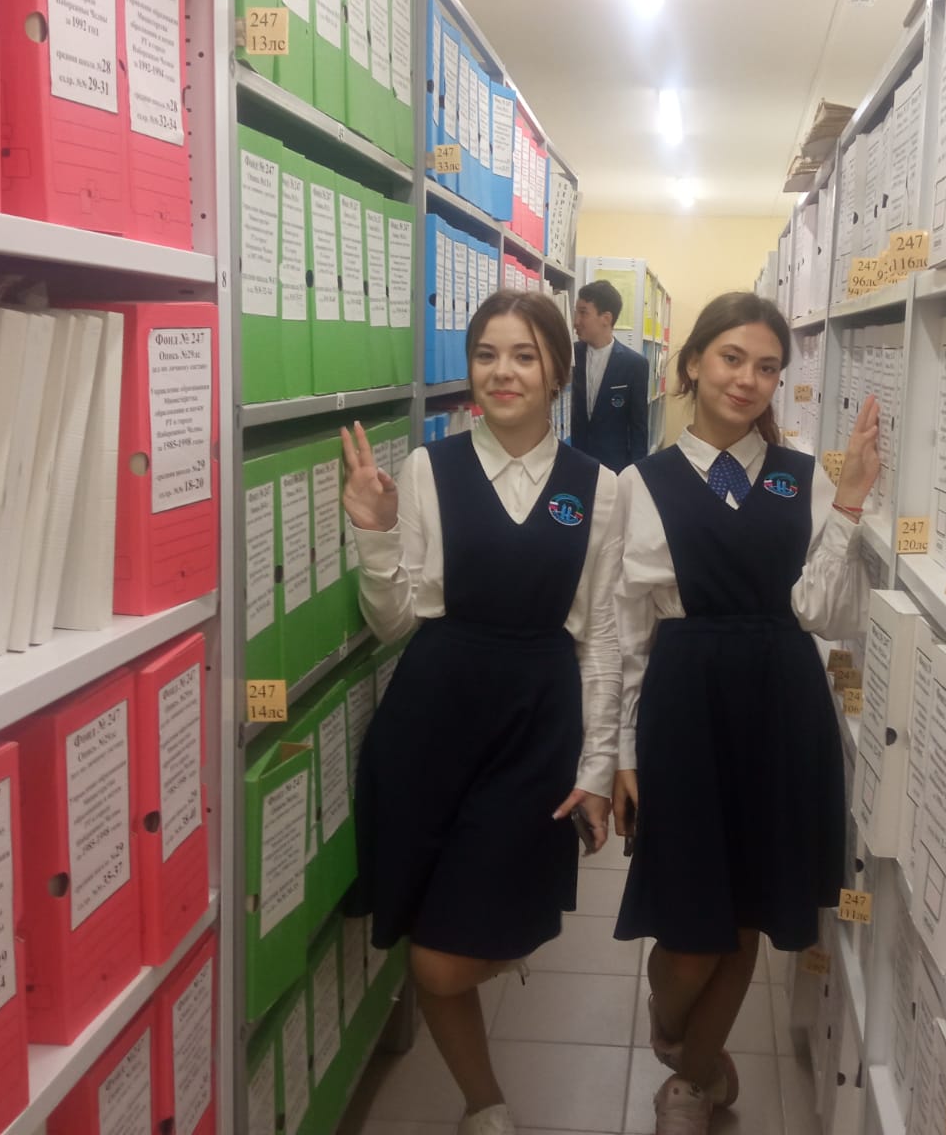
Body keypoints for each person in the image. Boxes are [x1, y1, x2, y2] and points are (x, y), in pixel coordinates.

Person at [342, 290, 622, 1135]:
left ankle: (501, 948)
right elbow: (395, 623)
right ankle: (483, 1103)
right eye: (487, 354)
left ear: (557, 370)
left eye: (525, 355)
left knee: (450, 953)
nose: (504, 373)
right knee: (429, 935)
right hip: (431, 718)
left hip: (536, 723)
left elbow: (601, 639)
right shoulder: (429, 469)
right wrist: (377, 535)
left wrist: (597, 767)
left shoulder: (599, 488)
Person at [610, 291, 881, 1134]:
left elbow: (824, 614)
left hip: (782, 704)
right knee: (691, 931)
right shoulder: (640, 484)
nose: (748, 379)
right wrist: (620, 753)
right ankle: (673, 1033)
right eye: (732, 358)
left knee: (750, 913)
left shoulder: (804, 478)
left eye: (767, 366)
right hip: (684, 707)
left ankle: (691, 1082)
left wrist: (849, 504)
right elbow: (625, 635)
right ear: (693, 363)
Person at [570, 279, 650, 471]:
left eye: (583, 313)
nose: (576, 321)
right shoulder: (569, 355)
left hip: (614, 468)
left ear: (606, 318)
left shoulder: (634, 365)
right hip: (574, 462)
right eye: (576, 313)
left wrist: (637, 473)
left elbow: (638, 428)